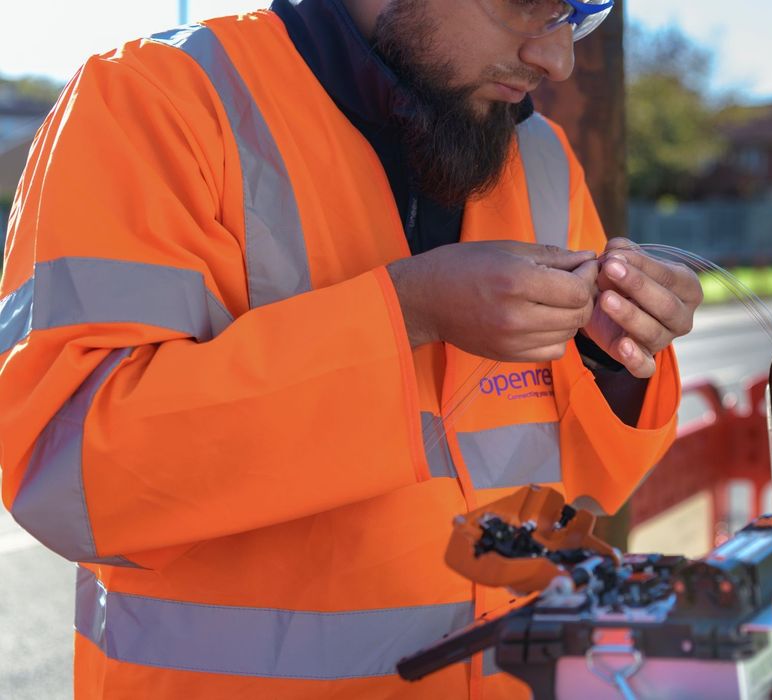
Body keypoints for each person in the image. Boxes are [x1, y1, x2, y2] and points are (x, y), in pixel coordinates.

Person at [0, 0, 702, 696]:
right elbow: (73, 480)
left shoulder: (538, 152)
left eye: (574, 20)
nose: (557, 60)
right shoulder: (154, 101)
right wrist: (404, 314)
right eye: (526, 7)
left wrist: (613, 359)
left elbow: (574, 485)